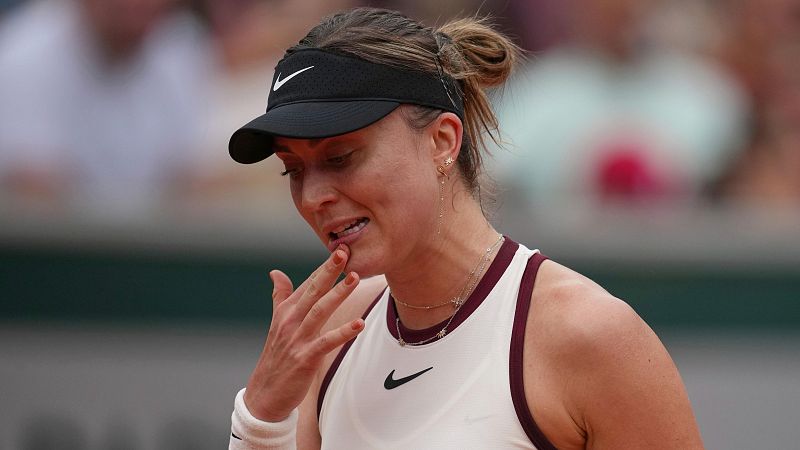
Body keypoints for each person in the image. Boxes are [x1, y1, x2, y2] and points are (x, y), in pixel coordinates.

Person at [226, 7, 704, 449]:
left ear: (442, 140)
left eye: (340, 158)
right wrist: (262, 416)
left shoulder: (591, 336)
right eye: (294, 170)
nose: (312, 198)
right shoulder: (329, 332)